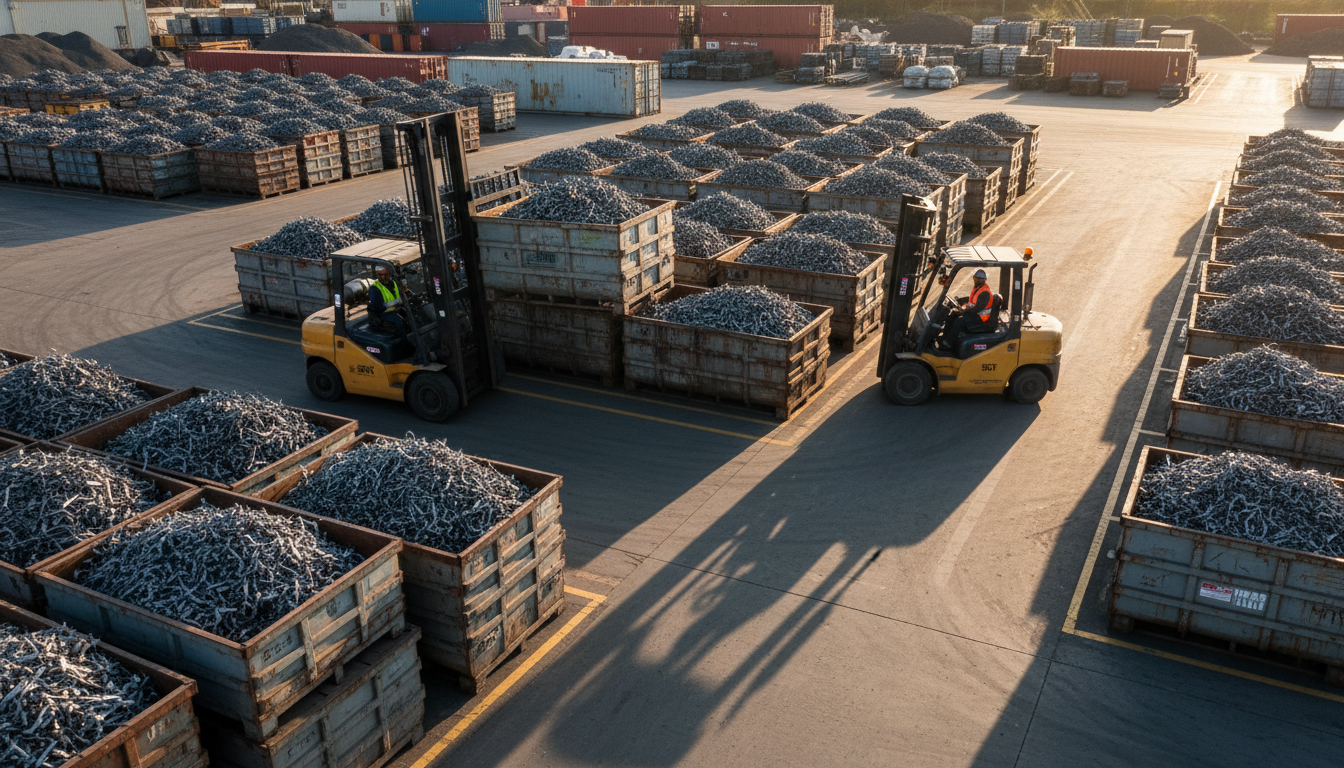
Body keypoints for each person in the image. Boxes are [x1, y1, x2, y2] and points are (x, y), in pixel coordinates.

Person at [938, 269, 996, 353]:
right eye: (976, 279)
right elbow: (971, 300)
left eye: (979, 280)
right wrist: (960, 302)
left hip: (981, 319)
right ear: (974, 278)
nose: (977, 281)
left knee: (959, 321)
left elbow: (978, 308)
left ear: (984, 280)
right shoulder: (978, 288)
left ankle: (948, 343)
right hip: (976, 315)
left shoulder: (985, 292)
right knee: (953, 315)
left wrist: (964, 311)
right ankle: (946, 338)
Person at [367, 266, 408, 336]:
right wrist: (397, 302)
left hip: (397, 309)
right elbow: (379, 307)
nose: (383, 277)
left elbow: (402, 293)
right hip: (384, 313)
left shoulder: (393, 282)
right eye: (380, 275)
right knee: (399, 322)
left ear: (389, 273)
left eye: (385, 274)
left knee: (412, 317)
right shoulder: (374, 288)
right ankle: (405, 341)